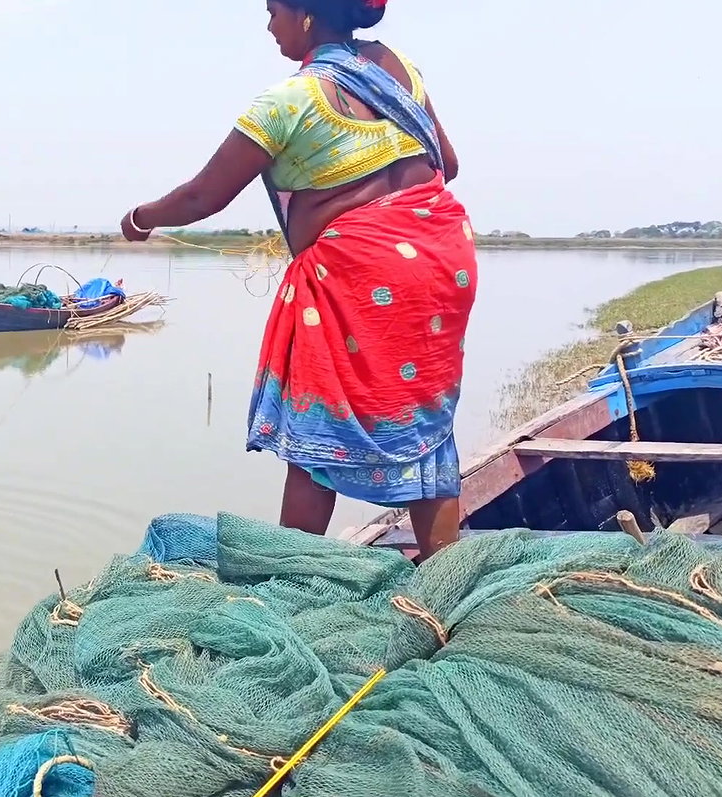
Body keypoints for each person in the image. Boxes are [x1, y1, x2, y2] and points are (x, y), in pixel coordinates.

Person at [120, 0, 477, 560]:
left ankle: (294, 581)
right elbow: (446, 163)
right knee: (423, 415)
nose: (268, 26)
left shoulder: (289, 100)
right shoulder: (400, 70)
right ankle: (442, 578)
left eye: (272, 12)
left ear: (307, 16)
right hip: (441, 259)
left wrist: (140, 218)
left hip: (360, 273)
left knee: (319, 425)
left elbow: (202, 195)